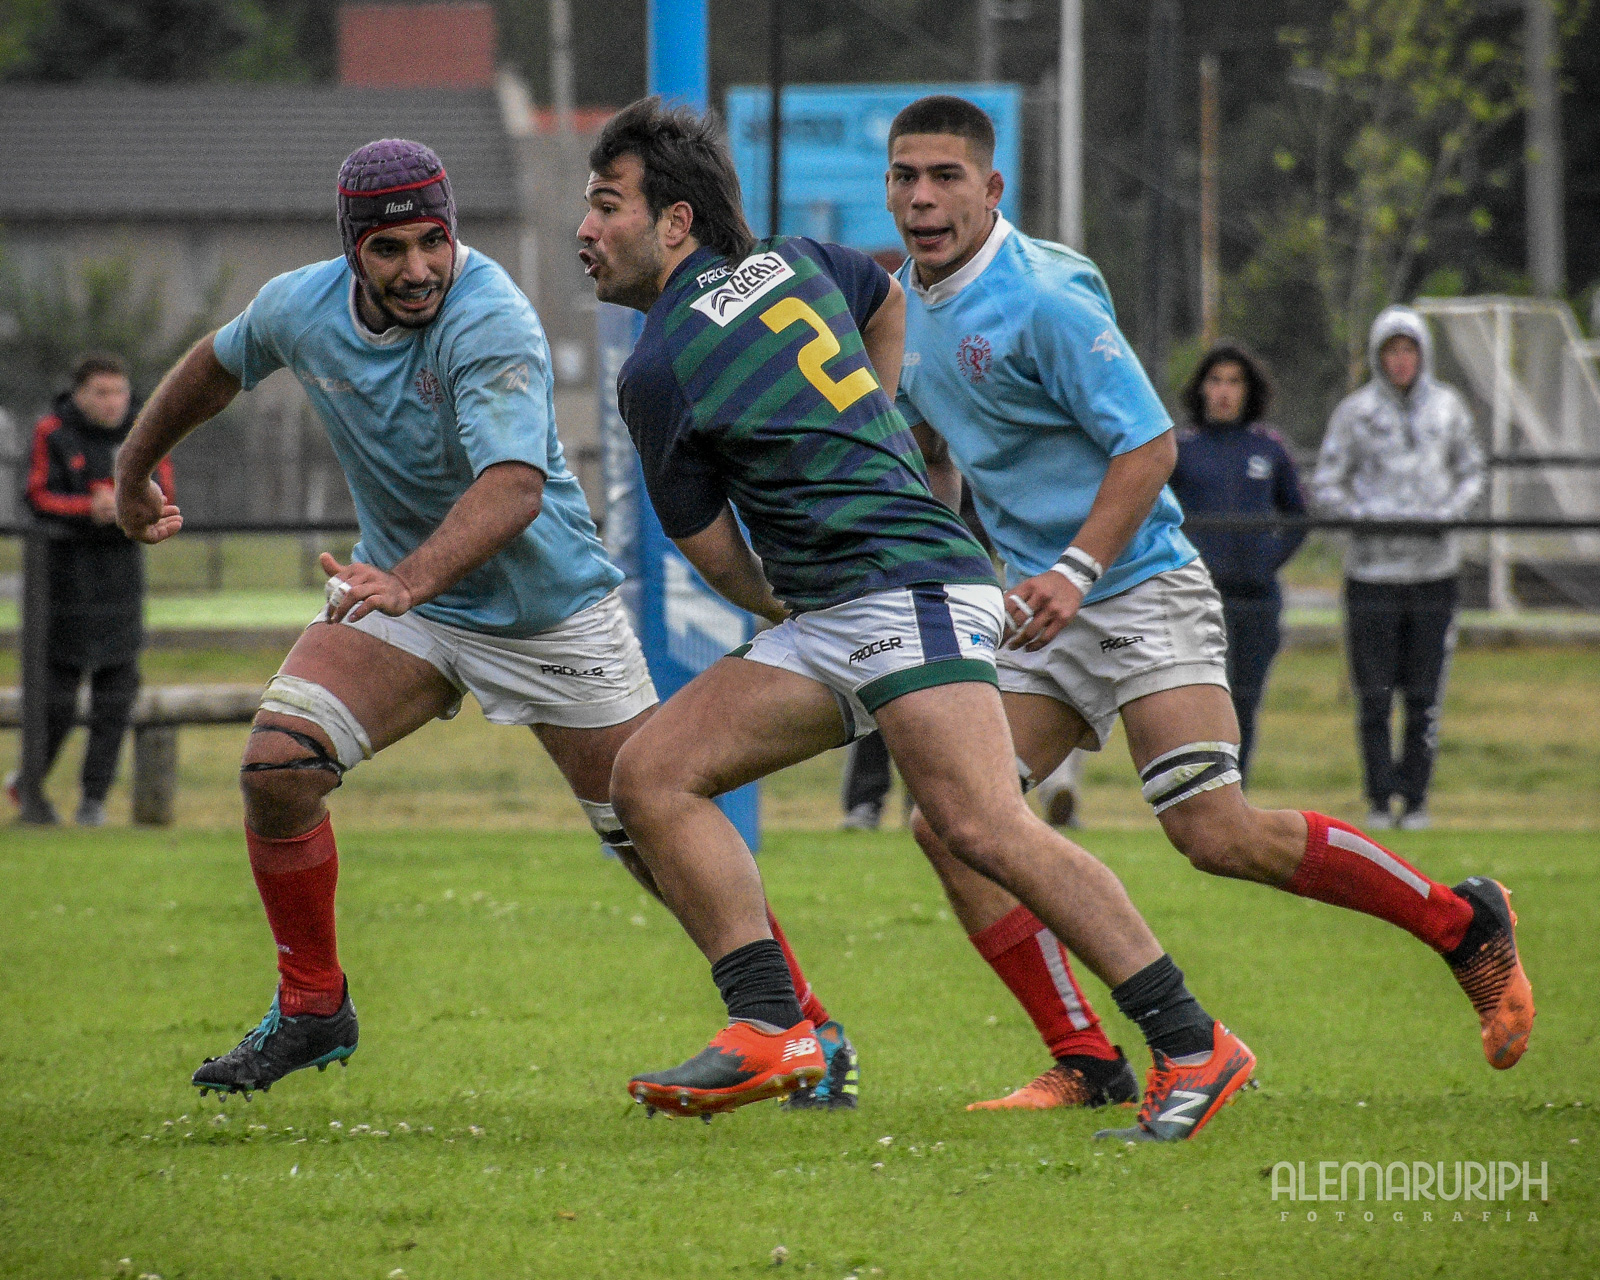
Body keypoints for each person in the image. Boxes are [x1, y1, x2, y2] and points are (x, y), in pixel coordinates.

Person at [114, 138, 855, 1109]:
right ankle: (312, 1005)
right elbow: (217, 363)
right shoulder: (300, 305)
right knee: (278, 765)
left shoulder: (492, 316)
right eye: (390, 250)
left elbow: (510, 490)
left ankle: (804, 1026)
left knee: (652, 829)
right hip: (409, 600)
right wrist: (134, 468)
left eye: (434, 241)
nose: (419, 267)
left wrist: (407, 581)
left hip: (545, 611)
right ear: (353, 253)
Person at [581, 96, 1255, 1142]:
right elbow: (883, 303)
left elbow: (714, 555)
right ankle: (772, 1024)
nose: (587, 230)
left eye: (605, 206)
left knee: (981, 822)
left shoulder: (658, 366)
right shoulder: (803, 259)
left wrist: (784, 587)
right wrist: (883, 425)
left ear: (673, 224)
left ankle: (1192, 1037)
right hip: (865, 597)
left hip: (898, 590)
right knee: (652, 773)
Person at [882, 95, 1532, 1101]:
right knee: (951, 818)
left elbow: (1149, 447)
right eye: (904, 177)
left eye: (944, 176)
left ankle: (1463, 921)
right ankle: (1086, 1058)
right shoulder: (902, 311)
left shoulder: (1042, 296)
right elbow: (939, 452)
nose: (921, 198)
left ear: (990, 186)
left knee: (1213, 830)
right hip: (1038, 608)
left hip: (1134, 582)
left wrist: (1073, 571)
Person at [1313, 307, 1485, 831]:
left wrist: (1449, 513)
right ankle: (1377, 798)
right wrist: (1361, 519)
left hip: (1435, 572)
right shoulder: (1354, 413)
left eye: (1409, 350)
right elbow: (1326, 483)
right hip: (1372, 576)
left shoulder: (1450, 409)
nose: (1400, 361)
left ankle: (1416, 800)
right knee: (1374, 696)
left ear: (1423, 354)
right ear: (1377, 356)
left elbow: (1472, 472)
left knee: (1424, 695)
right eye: (1391, 350)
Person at [8, 354, 173, 827]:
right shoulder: (52, 432)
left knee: (115, 701)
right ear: (80, 394)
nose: (112, 401)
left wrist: (125, 506)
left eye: (119, 391)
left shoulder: (149, 430)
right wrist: (89, 508)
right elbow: (37, 495)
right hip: (63, 589)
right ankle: (30, 788)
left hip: (122, 587)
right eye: (101, 392)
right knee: (56, 701)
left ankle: (93, 802)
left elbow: (163, 491)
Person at [1168, 344, 1306, 781]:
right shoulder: (1180, 448)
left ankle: (1235, 789)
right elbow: (1153, 514)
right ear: (1201, 389)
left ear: (1249, 391)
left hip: (1257, 598)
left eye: (1234, 381)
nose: (1225, 391)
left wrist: (1269, 560)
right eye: (1216, 380)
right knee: (1203, 697)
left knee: (1245, 698)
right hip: (1198, 597)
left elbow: (1298, 515)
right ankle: (1194, 787)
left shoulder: (1268, 448)